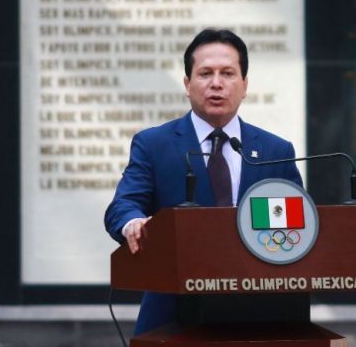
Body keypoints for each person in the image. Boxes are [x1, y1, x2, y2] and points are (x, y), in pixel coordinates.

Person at [104, 28, 303, 334]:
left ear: (245, 84)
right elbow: (124, 204)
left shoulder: (275, 150)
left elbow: (297, 226)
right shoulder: (154, 143)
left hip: (261, 312)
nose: (216, 83)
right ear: (187, 84)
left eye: (228, 73)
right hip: (174, 313)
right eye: (205, 73)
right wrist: (132, 222)